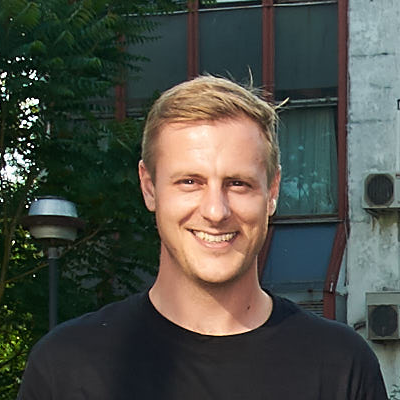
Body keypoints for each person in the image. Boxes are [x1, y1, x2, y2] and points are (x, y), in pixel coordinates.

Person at [18, 76, 388, 399]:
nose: (215, 211)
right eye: (190, 182)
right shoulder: (67, 367)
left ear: (272, 191)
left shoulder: (341, 366)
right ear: (149, 187)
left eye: (238, 183)